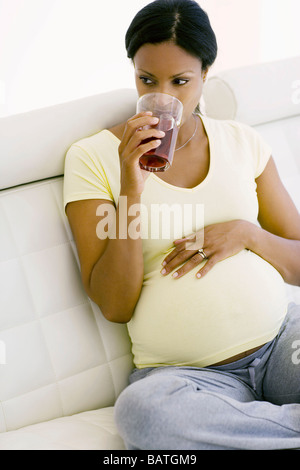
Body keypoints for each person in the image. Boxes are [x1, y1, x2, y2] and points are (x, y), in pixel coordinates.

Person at [63, 0, 300, 450]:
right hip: (184, 379)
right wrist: (131, 188)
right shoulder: (92, 157)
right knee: (143, 415)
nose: (165, 96)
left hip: (280, 343)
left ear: (206, 74)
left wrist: (248, 234)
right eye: (147, 80)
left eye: (182, 81)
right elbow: (115, 305)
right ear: (133, 71)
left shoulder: (242, 141)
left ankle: (250, 434)